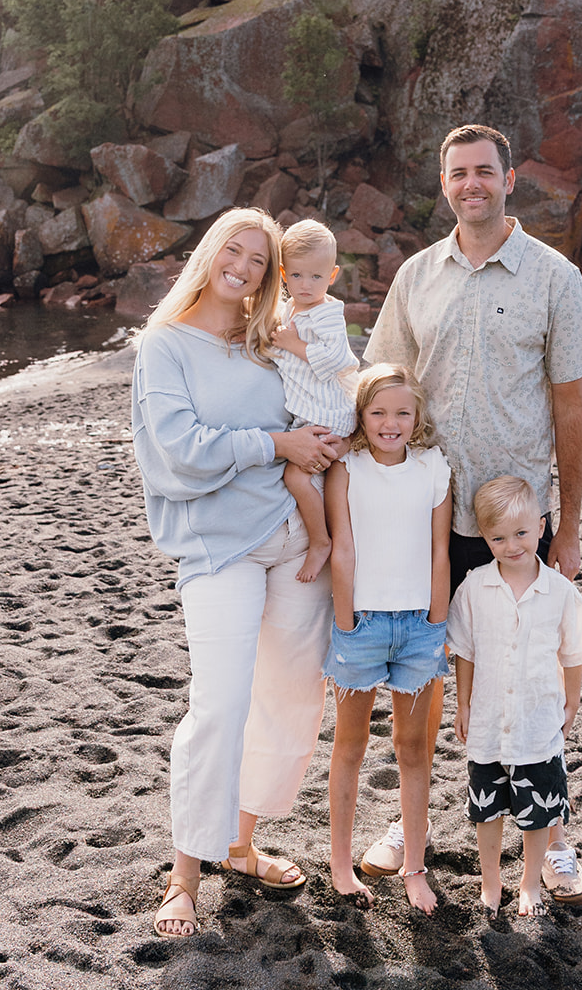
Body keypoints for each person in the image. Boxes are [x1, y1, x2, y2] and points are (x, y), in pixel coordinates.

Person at [360, 123, 582, 894]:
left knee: (529, 679)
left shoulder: (553, 277)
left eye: (484, 172)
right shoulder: (415, 277)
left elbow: (571, 408)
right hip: (424, 518)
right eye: (458, 173)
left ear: (508, 181)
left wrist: (566, 528)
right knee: (421, 677)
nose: (471, 184)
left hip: (511, 524)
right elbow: (377, 391)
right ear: (444, 184)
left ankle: (554, 841)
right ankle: (412, 822)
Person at [131, 207, 341, 939]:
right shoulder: (164, 345)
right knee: (218, 704)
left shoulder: (264, 339)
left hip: (296, 537)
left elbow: (322, 400)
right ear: (209, 254)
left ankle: (240, 843)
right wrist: (275, 442)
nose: (245, 268)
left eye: (260, 261)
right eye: (236, 251)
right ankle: (184, 876)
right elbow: (179, 450)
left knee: (291, 696)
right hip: (219, 547)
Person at [323, 363, 452, 915]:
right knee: (350, 746)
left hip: (421, 628)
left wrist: (436, 623)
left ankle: (415, 869)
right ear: (362, 416)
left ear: (417, 417)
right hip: (363, 626)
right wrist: (347, 621)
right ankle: (341, 864)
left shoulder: (433, 467)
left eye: (402, 412)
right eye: (377, 412)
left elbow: (439, 551)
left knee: (413, 748)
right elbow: (342, 547)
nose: (390, 423)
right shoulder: (346, 469)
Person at [447, 475, 582, 917]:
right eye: (498, 537)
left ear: (540, 526)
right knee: (487, 810)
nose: (512, 545)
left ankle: (530, 882)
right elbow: (465, 651)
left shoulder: (559, 591)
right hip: (488, 720)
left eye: (521, 533)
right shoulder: (475, 587)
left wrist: (571, 701)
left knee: (538, 811)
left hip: (537, 720)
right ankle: (491, 881)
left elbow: (573, 650)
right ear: (485, 538)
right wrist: (462, 703)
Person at [270, 219, 359, 583]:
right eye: (298, 276)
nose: (306, 286)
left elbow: (338, 358)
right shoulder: (286, 310)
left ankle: (320, 540)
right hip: (307, 412)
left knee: (295, 476)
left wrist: (293, 345)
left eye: (316, 278)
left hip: (327, 413)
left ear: (332, 276)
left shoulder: (327, 314)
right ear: (283, 274)